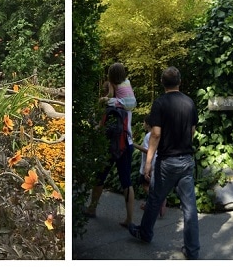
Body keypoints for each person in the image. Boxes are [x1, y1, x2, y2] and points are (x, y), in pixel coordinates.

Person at [128, 66, 200, 260]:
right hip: (186, 160)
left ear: (162, 83)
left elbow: (156, 134)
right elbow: (192, 131)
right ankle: (192, 250)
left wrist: (149, 162)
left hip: (166, 161)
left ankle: (145, 233)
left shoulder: (160, 103)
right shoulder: (189, 102)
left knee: (154, 199)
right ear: (180, 82)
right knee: (189, 207)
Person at [84, 62, 137, 228]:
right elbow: (127, 89)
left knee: (100, 177)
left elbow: (101, 126)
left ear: (111, 80)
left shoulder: (110, 104)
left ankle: (92, 208)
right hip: (126, 143)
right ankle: (129, 218)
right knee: (126, 181)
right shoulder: (127, 99)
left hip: (108, 145)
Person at [133, 116, 165, 216]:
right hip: (157, 162)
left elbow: (147, 150)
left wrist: (135, 145)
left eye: (143, 122)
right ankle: (154, 202)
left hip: (149, 163)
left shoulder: (148, 136)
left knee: (145, 184)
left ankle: (157, 201)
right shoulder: (160, 134)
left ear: (147, 124)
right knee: (152, 184)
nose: (143, 124)